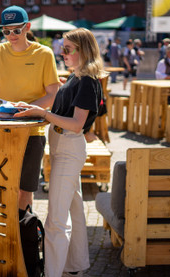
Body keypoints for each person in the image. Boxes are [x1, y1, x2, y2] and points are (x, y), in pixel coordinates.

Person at [14, 27, 106, 277]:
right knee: (75, 209)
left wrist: (42, 113)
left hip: (68, 147)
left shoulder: (86, 80)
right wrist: (32, 108)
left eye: (67, 49)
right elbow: (62, 115)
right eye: (61, 49)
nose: (62, 53)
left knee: (56, 218)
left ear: (83, 51)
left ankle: (53, 272)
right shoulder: (77, 77)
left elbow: (77, 124)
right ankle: (75, 266)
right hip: (62, 147)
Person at [0, 6, 60, 212]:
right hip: (2, 129)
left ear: (27, 27)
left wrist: (30, 109)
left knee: (25, 190)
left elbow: (53, 93)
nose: (11, 35)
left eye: (16, 30)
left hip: (32, 130)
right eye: (6, 31)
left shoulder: (44, 53)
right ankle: (5, 234)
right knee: (2, 186)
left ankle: (23, 235)